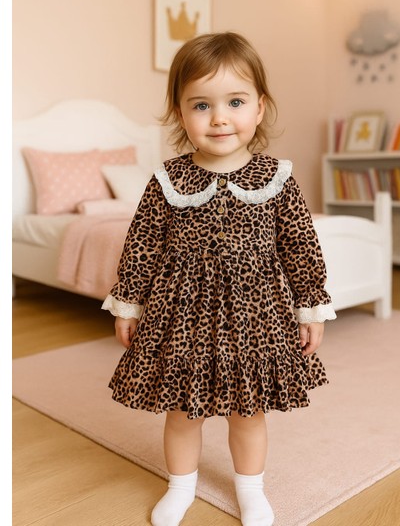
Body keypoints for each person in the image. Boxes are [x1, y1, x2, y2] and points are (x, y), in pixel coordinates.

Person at [102, 31, 336, 526]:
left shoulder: (277, 178)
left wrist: (310, 307)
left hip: (256, 318)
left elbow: (301, 246)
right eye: (201, 105)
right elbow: (141, 246)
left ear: (259, 107)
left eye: (235, 102)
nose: (219, 118)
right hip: (181, 317)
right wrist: (129, 303)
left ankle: (250, 491)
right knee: (182, 411)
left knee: (248, 412)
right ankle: (180, 486)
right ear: (180, 113)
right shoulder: (167, 180)